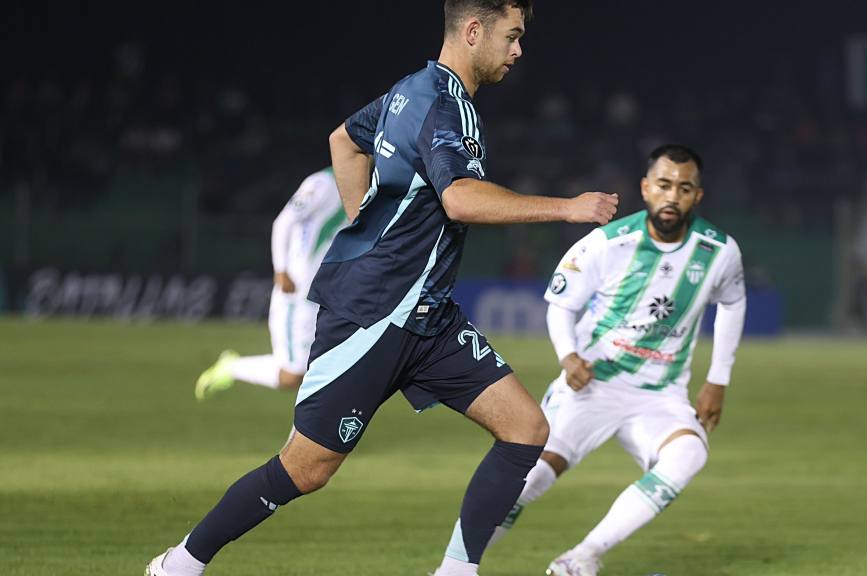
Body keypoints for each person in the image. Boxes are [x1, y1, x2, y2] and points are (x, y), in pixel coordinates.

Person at [146, 1, 620, 575]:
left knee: (526, 429)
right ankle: (181, 563)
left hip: (428, 316)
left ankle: (456, 571)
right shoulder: (444, 106)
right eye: (512, 36)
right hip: (373, 317)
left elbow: (344, 141)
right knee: (305, 469)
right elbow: (461, 198)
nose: (519, 50)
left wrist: (361, 225)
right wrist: (568, 207)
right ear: (474, 32)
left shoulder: (409, 90)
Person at [490, 145, 746, 575]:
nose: (672, 196)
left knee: (688, 454)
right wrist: (568, 355)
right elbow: (561, 304)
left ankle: (581, 558)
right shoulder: (608, 243)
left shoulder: (719, 251)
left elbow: (733, 303)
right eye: (664, 185)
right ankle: (453, 569)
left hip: (659, 395)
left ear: (697, 196)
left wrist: (717, 379)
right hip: (592, 385)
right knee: (528, 480)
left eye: (684, 188)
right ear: (646, 189)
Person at [194, 168, 347, 399]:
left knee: (326, 371)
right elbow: (284, 221)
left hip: (328, 291)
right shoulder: (323, 182)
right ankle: (232, 367)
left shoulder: (367, 183)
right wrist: (281, 270)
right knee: (292, 375)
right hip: (299, 289)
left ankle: (315, 430)